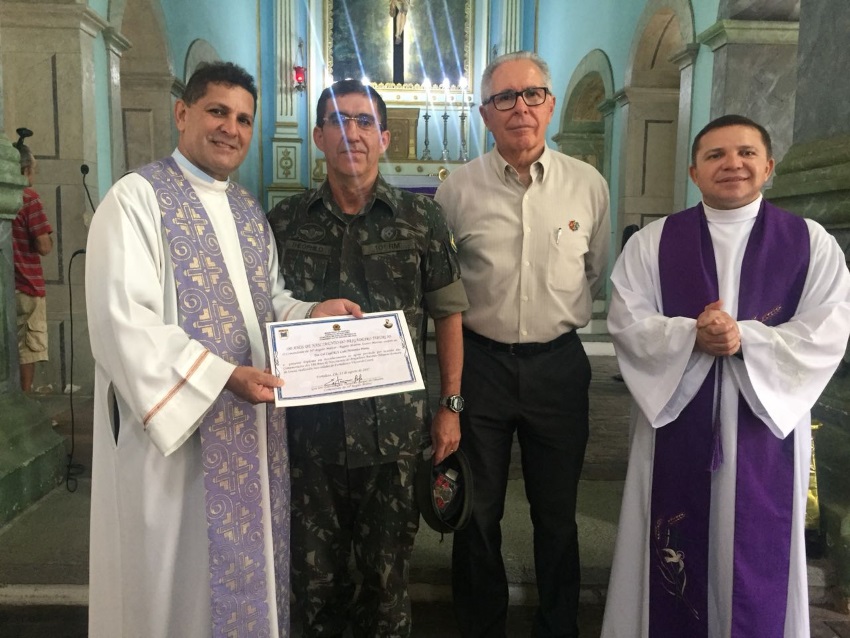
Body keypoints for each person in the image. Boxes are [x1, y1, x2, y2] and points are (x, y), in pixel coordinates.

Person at [85, 61, 360, 638]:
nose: (230, 129)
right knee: (175, 586)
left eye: (243, 119)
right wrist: (219, 375)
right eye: (217, 112)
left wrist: (312, 314)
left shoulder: (246, 211)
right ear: (182, 113)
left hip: (252, 436)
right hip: (174, 446)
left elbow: (268, 303)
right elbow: (121, 321)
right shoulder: (136, 199)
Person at [602, 114, 850, 638]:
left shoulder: (811, 242)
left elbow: (827, 328)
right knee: (674, 550)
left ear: (769, 166)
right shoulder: (653, 242)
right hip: (677, 421)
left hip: (765, 424)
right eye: (715, 155)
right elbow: (626, 320)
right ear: (694, 171)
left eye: (746, 153)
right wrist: (691, 335)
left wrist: (744, 339)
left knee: (759, 552)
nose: (732, 164)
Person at [268, 78, 468, 637]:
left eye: (363, 121)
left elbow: (449, 314)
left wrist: (450, 405)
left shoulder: (421, 219)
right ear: (318, 136)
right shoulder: (284, 222)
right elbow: (264, 313)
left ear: (383, 137)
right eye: (337, 120)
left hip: (393, 440)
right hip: (310, 438)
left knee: (387, 586)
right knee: (312, 587)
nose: (350, 133)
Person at [434, 51, 611, 637]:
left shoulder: (588, 185)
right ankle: (480, 627)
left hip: (557, 367)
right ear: (485, 113)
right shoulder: (457, 191)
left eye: (532, 94)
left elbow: (593, 271)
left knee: (556, 513)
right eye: (504, 98)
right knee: (476, 511)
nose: (520, 108)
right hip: (480, 366)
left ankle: (558, 626)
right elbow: (444, 289)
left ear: (551, 105)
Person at [12, 131, 53, 393]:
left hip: (7, 284)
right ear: (26, 169)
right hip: (27, 285)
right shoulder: (29, 198)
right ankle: (25, 399)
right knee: (27, 347)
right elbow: (43, 246)